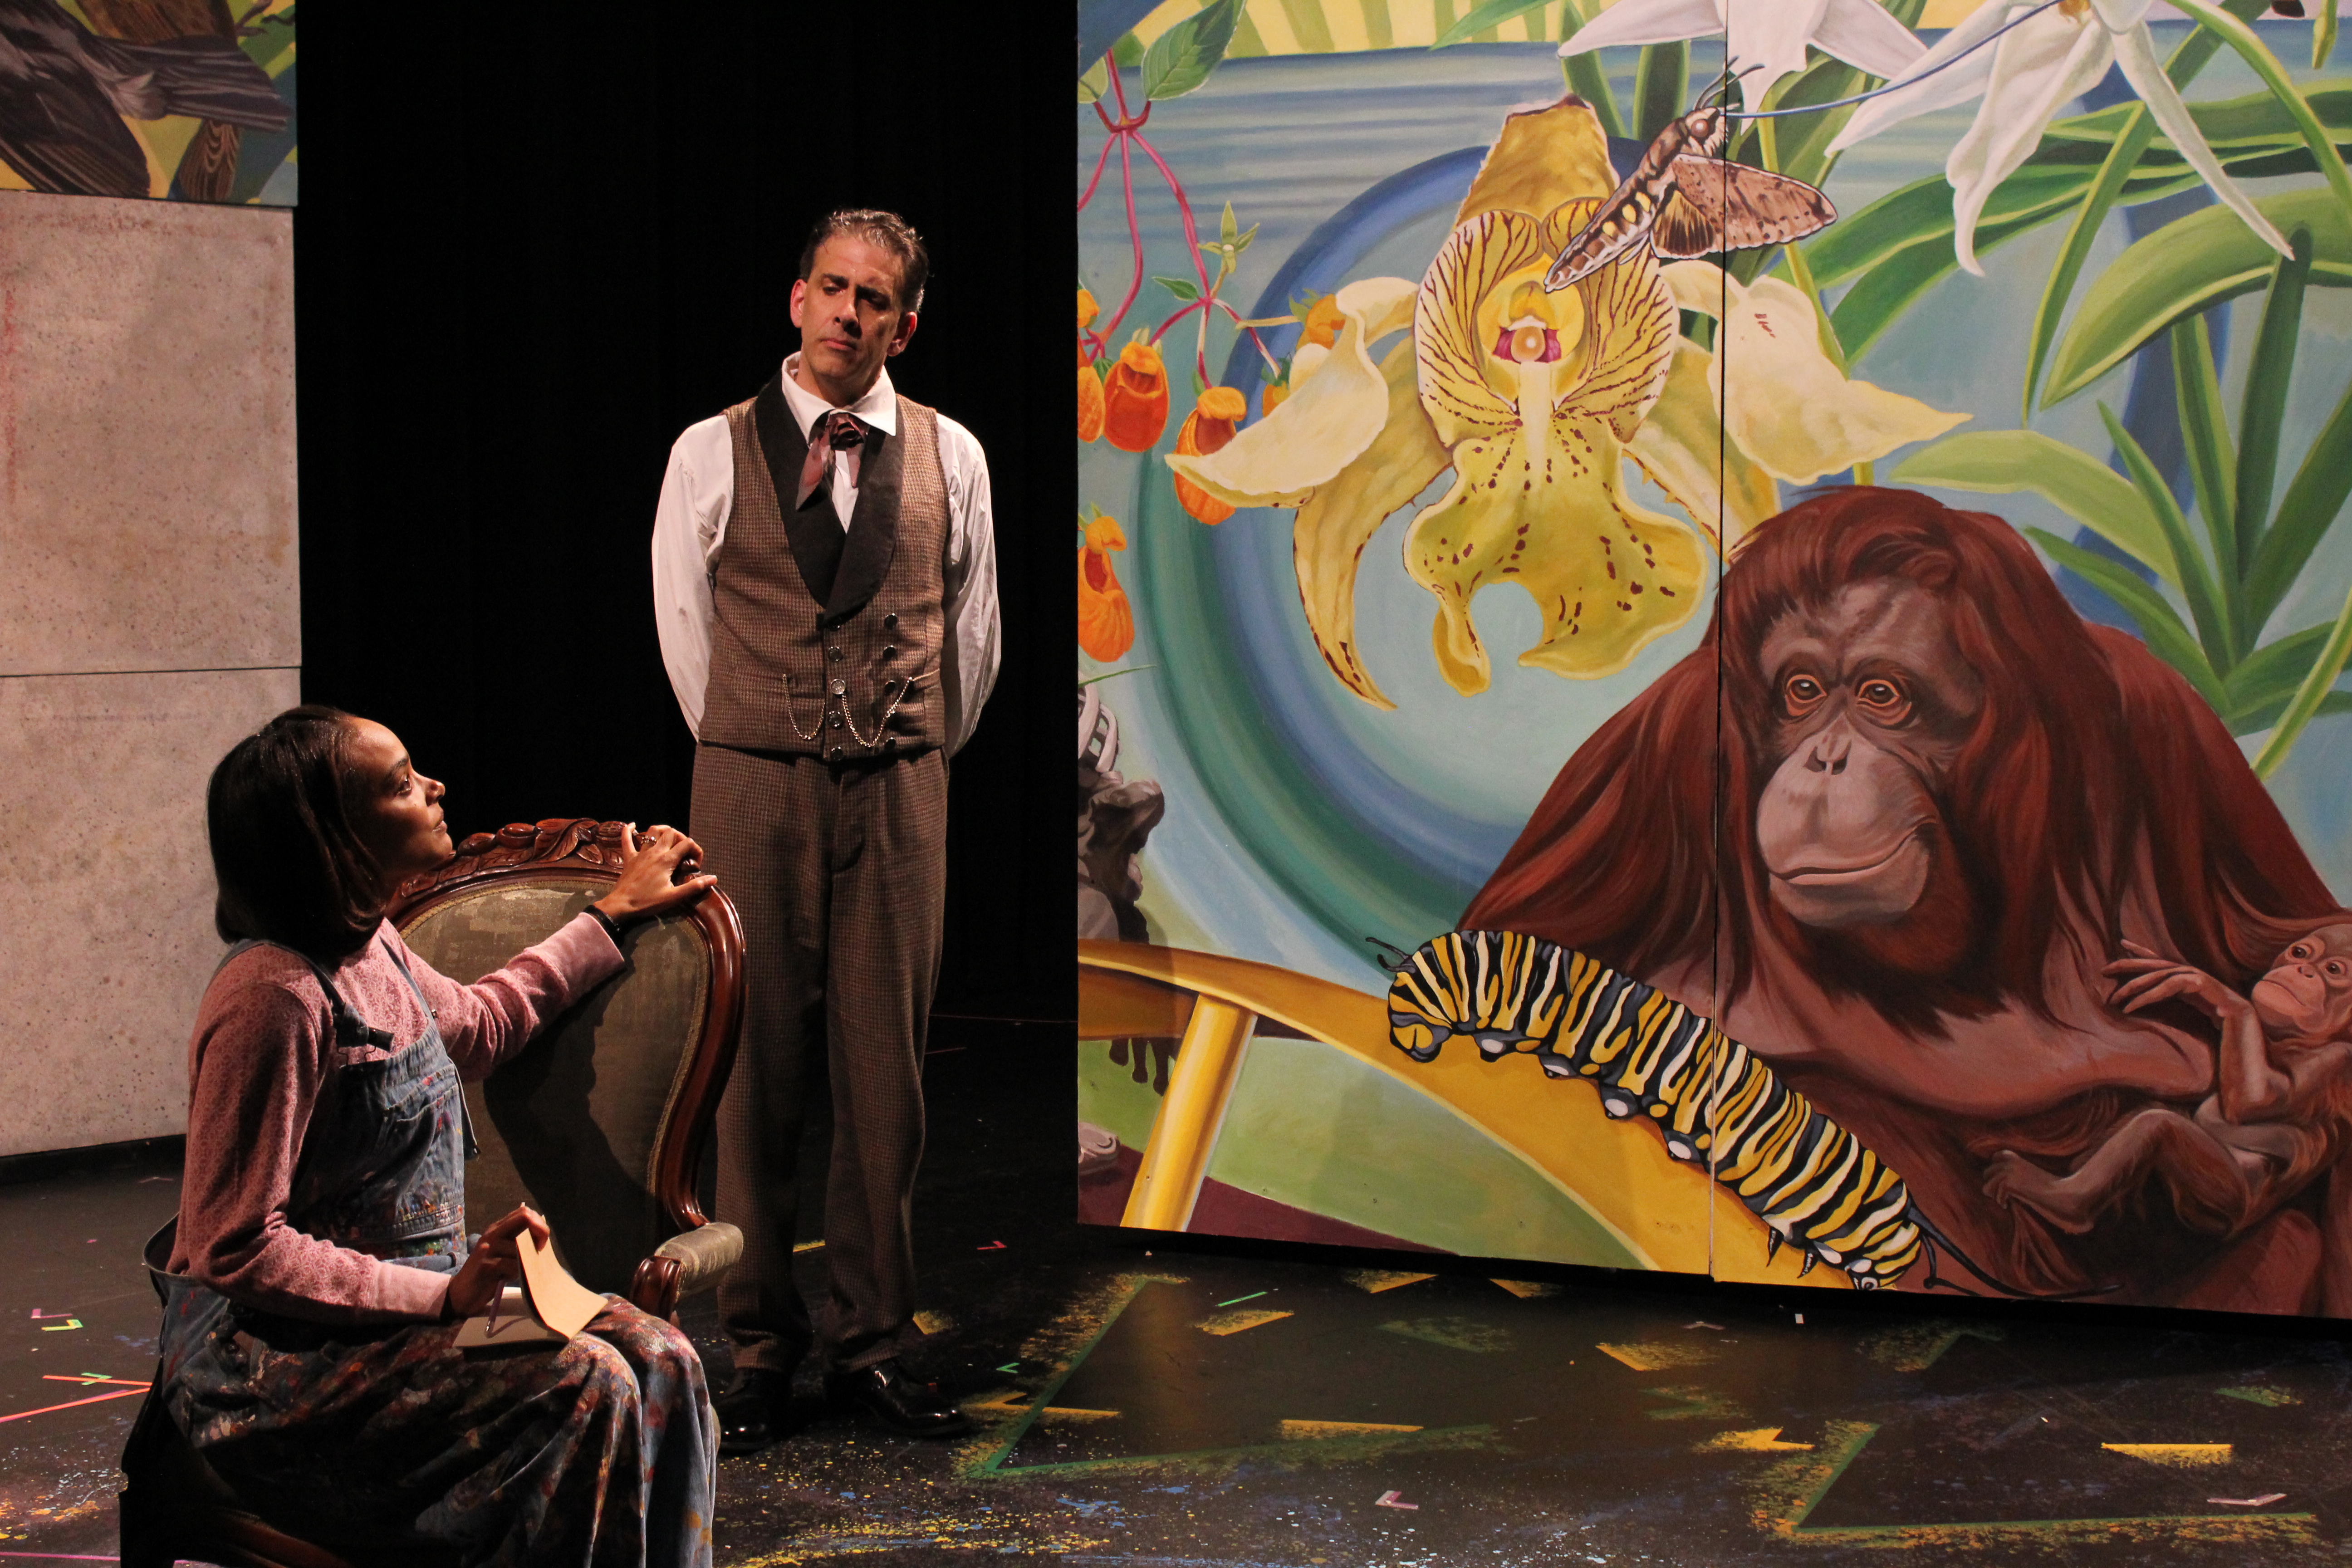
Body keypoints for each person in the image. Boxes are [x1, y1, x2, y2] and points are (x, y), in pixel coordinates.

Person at [148, 705, 720, 1566]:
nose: (435, 787)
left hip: (410, 1325)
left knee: (661, 1353)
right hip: (273, 1370)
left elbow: (483, 1025)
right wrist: (443, 1299)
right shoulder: (272, 998)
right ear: (335, 833)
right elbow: (233, 1247)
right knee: (587, 1384)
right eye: (401, 782)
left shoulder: (370, 944)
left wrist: (606, 917)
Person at [649, 208, 1000, 1447]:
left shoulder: (952, 455)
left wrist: (903, 750)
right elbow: (686, 632)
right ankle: (756, 1346)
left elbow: (973, 636)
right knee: (752, 1075)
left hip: (900, 789)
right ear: (795, 299)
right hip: (752, 781)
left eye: (877, 299)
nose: (851, 315)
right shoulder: (709, 450)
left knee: (884, 1071)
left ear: (906, 323)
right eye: (833, 290)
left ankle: (873, 1340)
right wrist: (765, 732)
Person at [1984, 926, 2352, 1241]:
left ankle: (2074, 1203)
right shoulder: (2274, 1043)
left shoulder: (2336, 1057)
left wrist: (2233, 1010)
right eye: (2301, 953)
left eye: (2334, 971)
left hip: (2236, 1190)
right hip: (2212, 1158)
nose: (2303, 969)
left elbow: (2251, 1103)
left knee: (2158, 1125)